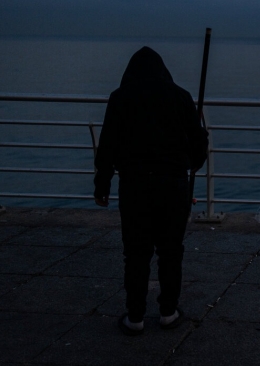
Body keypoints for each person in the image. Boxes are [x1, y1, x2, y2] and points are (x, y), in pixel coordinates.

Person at [94, 46, 208, 336]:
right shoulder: (181, 97)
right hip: (173, 185)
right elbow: (198, 144)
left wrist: (102, 186)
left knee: (135, 253)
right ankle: (168, 312)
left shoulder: (120, 98)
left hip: (134, 187)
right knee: (171, 251)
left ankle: (135, 317)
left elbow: (106, 147)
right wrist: (192, 165)